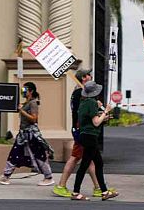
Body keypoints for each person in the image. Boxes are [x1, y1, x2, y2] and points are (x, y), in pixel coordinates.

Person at [0, 82, 55, 187]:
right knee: (14, 153)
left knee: (39, 155)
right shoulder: (27, 103)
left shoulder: (33, 103)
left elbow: (34, 119)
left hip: (31, 134)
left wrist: (22, 111)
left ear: (31, 91)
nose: (23, 92)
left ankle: (48, 177)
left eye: (25, 90)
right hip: (23, 135)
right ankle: (5, 176)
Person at [53, 69, 101, 198]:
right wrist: (96, 106)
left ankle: (98, 187)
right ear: (84, 78)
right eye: (89, 75)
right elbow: (84, 112)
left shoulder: (79, 92)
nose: (91, 76)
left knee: (89, 158)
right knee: (76, 157)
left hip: (80, 128)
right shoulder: (80, 93)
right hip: (82, 129)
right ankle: (61, 185)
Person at [71, 82, 117, 200]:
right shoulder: (92, 103)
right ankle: (75, 192)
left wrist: (103, 116)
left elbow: (91, 119)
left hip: (85, 135)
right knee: (84, 165)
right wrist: (105, 111)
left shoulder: (84, 103)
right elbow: (96, 122)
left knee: (98, 163)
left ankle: (104, 191)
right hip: (90, 136)